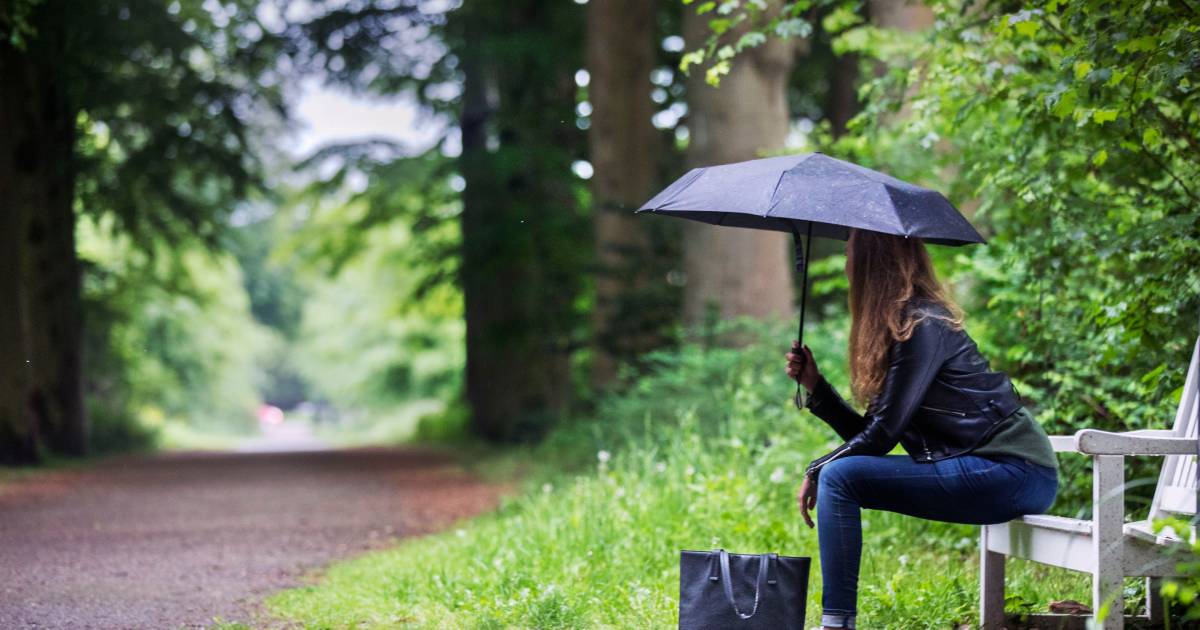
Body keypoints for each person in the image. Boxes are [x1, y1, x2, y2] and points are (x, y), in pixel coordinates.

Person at [784, 227, 1059, 630]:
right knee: (840, 475)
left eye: (850, 254)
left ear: (870, 264)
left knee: (839, 476)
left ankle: (836, 624)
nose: (846, 264)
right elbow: (877, 431)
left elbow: (879, 438)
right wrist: (816, 387)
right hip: (990, 469)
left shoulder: (923, 325)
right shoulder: (905, 326)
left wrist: (816, 467)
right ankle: (836, 621)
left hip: (1013, 470)